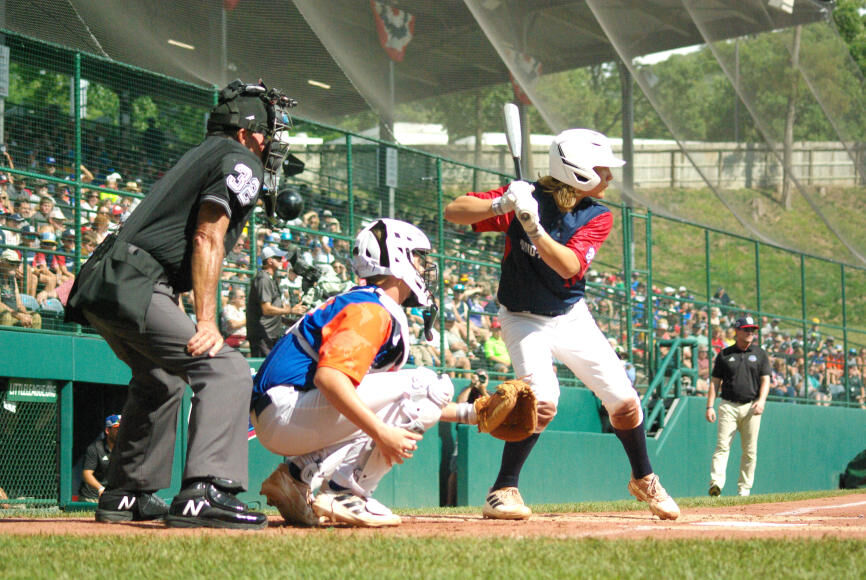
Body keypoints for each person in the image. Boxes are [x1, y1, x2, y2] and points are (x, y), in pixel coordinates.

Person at [63, 79, 297, 529]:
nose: (269, 141)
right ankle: (204, 492)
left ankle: (125, 493)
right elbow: (207, 237)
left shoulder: (207, 153)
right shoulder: (239, 159)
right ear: (248, 132)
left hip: (108, 279)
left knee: (162, 379)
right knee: (224, 367)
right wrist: (207, 322)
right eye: (266, 131)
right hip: (133, 280)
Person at [444, 128, 680, 521]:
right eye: (602, 169)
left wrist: (533, 228)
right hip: (521, 318)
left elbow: (569, 266)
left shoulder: (597, 214)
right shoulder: (524, 195)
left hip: (570, 316)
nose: (608, 177)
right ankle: (502, 489)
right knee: (543, 400)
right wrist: (502, 203)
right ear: (578, 172)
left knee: (624, 401)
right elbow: (454, 211)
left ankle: (644, 478)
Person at [253, 218, 469, 528]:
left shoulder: (367, 301)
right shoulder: (371, 309)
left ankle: (295, 476)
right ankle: (346, 492)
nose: (423, 269)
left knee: (413, 393)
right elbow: (330, 379)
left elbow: (390, 404)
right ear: (398, 258)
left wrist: (471, 413)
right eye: (419, 258)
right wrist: (382, 433)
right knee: (426, 384)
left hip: (283, 411)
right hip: (287, 409)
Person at [705, 316, 771, 497]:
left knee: (750, 451)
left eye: (753, 330)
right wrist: (710, 406)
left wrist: (762, 400)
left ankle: (744, 490)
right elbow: (715, 382)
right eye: (746, 329)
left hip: (751, 406)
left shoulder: (760, 354)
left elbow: (766, 379)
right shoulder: (725, 354)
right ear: (737, 331)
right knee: (722, 446)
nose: (750, 333)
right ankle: (716, 484)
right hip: (728, 405)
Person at [246, 246, 307, 357]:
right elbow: (266, 309)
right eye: (278, 258)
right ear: (270, 261)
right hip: (262, 335)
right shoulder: (263, 279)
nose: (281, 260)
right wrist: (291, 310)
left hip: (270, 334)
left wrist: (286, 321)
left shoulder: (270, 278)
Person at [79, 414, 122, 502]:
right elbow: (87, 474)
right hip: (92, 497)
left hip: (113, 496)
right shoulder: (95, 448)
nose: (121, 432)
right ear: (107, 430)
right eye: (117, 429)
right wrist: (100, 488)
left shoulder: (125, 448)